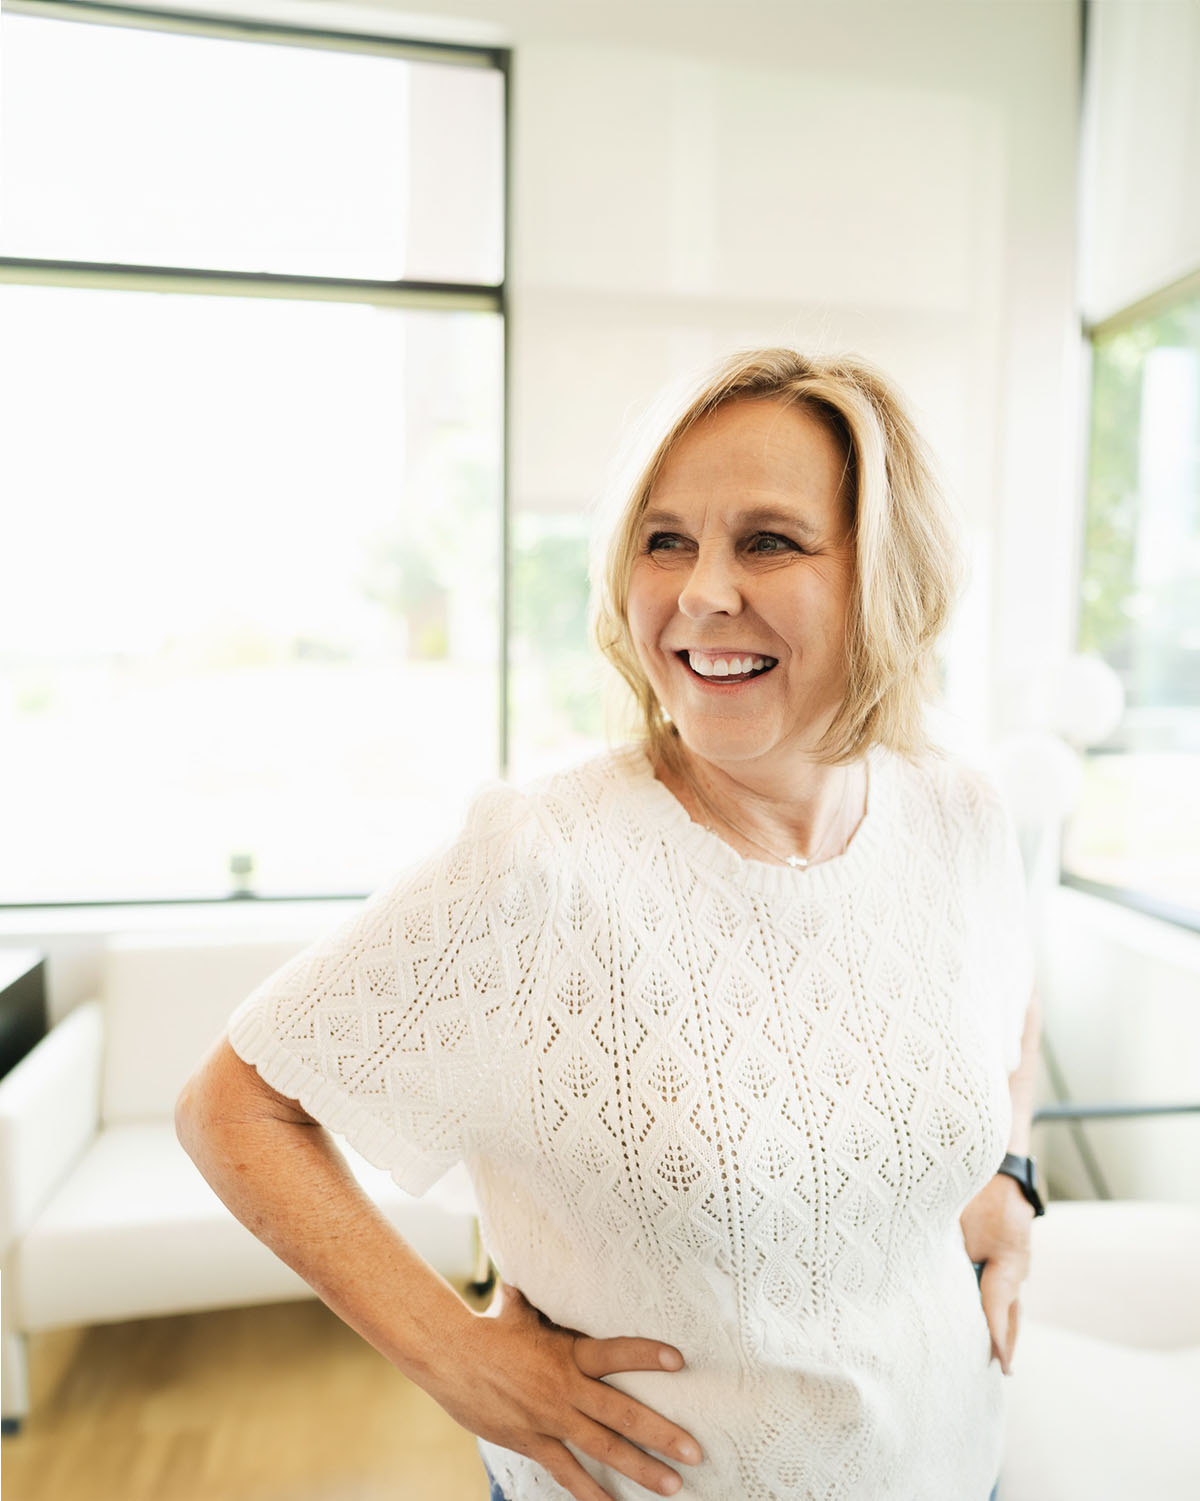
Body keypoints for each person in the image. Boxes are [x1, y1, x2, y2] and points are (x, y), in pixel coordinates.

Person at [176, 347, 1042, 1501]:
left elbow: (1008, 1008)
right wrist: (457, 1361)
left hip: (953, 1462)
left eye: (768, 541)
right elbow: (233, 1108)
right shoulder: (543, 860)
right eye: (664, 538)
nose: (699, 594)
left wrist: (1010, 1174)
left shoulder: (962, 813)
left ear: (891, 576)